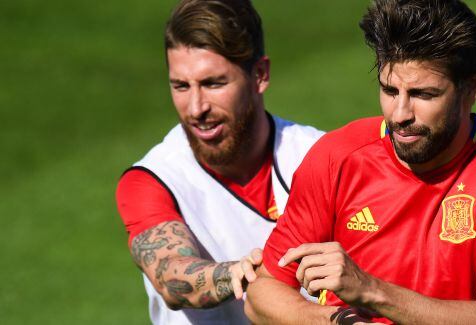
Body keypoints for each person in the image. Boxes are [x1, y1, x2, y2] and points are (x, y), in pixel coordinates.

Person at [245, 0, 476, 324]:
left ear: (471, 88)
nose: (400, 114)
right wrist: (334, 322)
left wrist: (370, 290)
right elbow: (262, 294)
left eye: (423, 94)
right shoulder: (337, 155)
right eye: (389, 90)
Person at [115, 0, 323, 324]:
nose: (196, 108)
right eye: (181, 86)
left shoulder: (323, 156)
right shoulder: (153, 180)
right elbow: (171, 276)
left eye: (213, 84)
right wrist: (242, 273)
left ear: (260, 75)